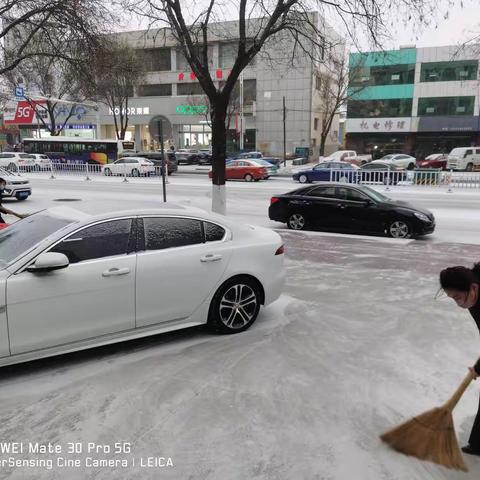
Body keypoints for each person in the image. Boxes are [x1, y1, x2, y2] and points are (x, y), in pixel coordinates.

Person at [440, 263, 480, 455]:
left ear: (473, 288)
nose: (457, 303)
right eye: (452, 298)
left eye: (458, 297)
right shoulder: (473, 299)